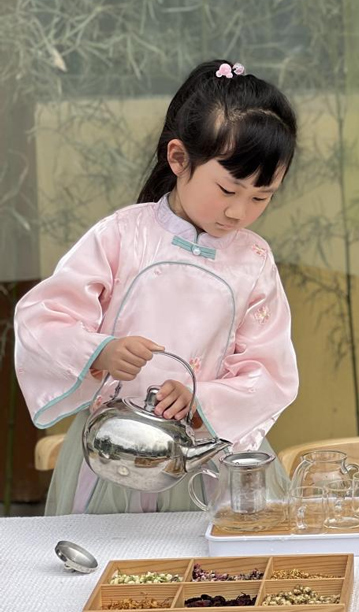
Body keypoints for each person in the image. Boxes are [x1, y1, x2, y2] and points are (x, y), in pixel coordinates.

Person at [15, 59, 299, 514]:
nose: (238, 212)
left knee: (213, 576)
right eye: (228, 190)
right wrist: (100, 351)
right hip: (116, 450)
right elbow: (42, 318)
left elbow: (270, 368)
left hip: (207, 456)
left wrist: (201, 399)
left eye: (260, 198)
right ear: (179, 159)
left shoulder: (254, 260)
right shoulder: (124, 234)